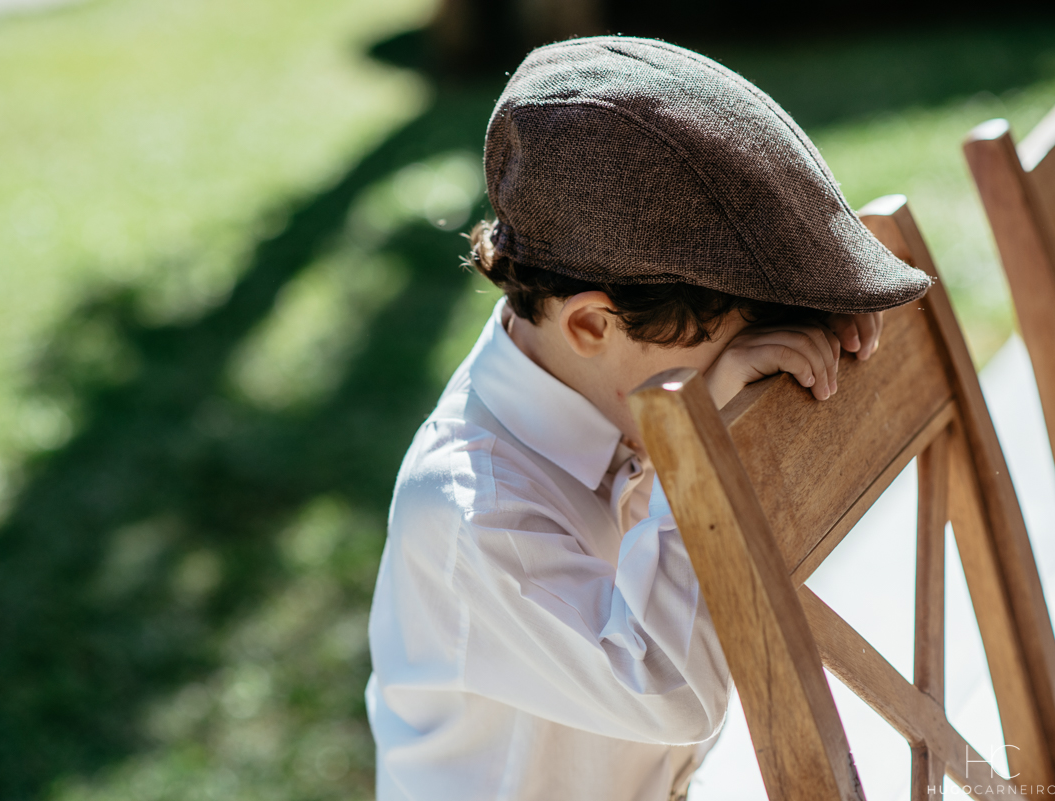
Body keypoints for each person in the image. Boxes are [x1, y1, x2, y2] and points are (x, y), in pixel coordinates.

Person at [366, 36, 931, 801]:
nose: (745, 375)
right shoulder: (470, 513)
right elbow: (673, 692)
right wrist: (701, 445)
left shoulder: (598, 375)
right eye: (727, 356)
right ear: (591, 325)